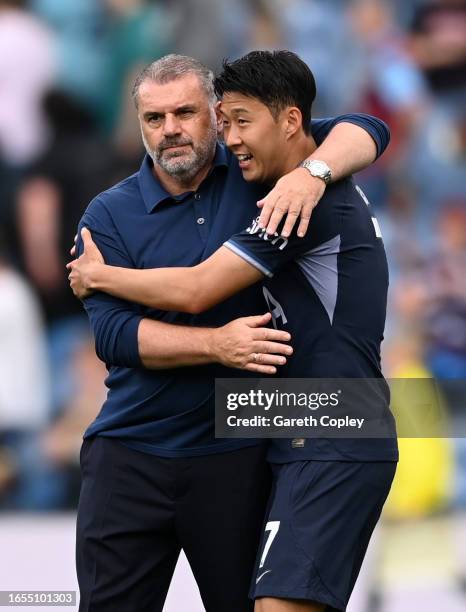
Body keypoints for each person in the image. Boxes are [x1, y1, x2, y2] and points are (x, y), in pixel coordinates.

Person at [68, 53, 391, 612]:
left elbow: (366, 127)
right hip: (152, 447)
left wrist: (101, 275)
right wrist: (216, 345)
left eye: (188, 113)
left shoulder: (277, 184)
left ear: (212, 117)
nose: (171, 129)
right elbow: (114, 337)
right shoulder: (109, 213)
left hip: (285, 432)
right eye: (154, 118)